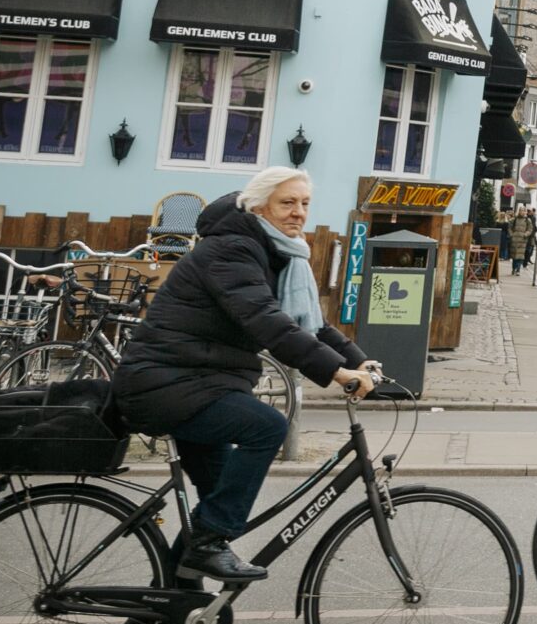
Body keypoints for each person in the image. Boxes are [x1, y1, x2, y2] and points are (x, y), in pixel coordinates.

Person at [111, 169, 379, 582]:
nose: (298, 213)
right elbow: (266, 320)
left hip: (197, 385)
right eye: (287, 203)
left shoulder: (280, 254)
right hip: (166, 384)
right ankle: (207, 546)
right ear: (258, 207)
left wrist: (360, 360)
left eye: (304, 203)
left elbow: (310, 324)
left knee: (215, 502)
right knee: (267, 427)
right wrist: (336, 373)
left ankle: (169, 607)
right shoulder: (232, 249)